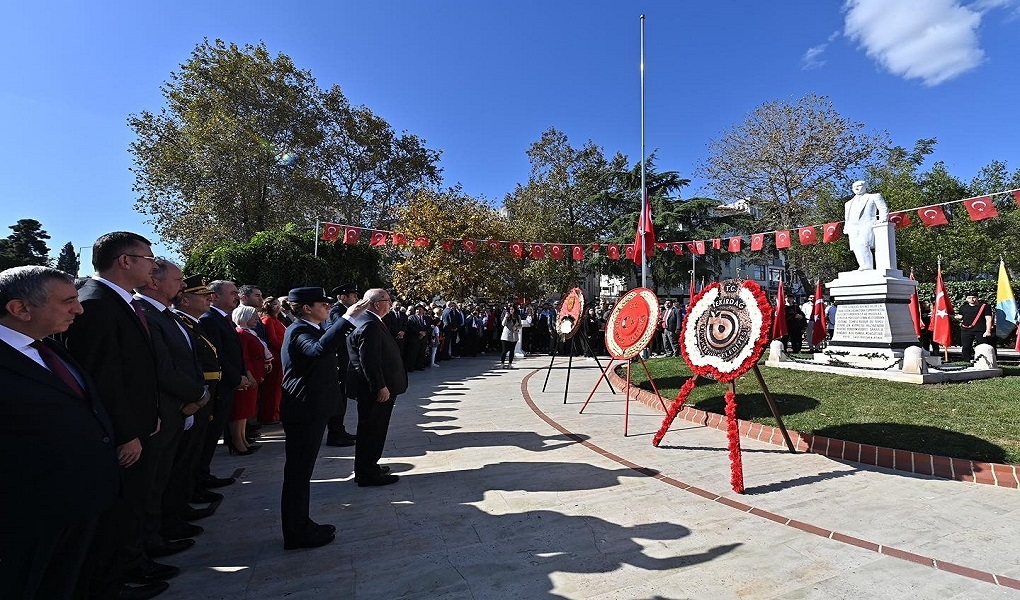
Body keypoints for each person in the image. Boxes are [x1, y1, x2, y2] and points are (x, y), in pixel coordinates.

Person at [62, 231, 172, 600]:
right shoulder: (95, 304)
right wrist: (126, 432)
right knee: (119, 508)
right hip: (123, 433)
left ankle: (133, 561)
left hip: (141, 423)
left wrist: (151, 413)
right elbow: (104, 378)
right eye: (148, 258)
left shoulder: (120, 301)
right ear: (125, 261)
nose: (153, 264)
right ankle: (111, 581)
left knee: (136, 503)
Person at [0, 266, 119, 600]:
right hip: (29, 519)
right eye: (68, 301)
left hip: (81, 502)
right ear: (20, 309)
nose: (79, 309)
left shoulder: (50, 348)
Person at [133, 258, 210, 557]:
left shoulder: (165, 314)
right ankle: (147, 544)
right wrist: (196, 395)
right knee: (150, 484)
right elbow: (162, 368)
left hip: (181, 405)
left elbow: (187, 358)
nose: (182, 285)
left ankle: (167, 523)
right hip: (167, 408)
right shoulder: (145, 314)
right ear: (154, 282)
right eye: (178, 280)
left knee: (166, 475)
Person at [279, 288, 365, 549]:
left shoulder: (312, 328)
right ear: (306, 308)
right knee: (298, 473)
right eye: (323, 303)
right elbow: (318, 350)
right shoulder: (299, 331)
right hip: (303, 410)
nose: (328, 307)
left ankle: (302, 523)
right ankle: (296, 532)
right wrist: (347, 318)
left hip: (312, 409)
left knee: (302, 472)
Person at [348, 288, 407, 487]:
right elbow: (369, 361)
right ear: (376, 303)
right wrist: (380, 386)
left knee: (374, 429)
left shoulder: (372, 321)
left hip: (378, 387)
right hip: (375, 390)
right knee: (372, 430)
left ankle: (368, 465)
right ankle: (367, 473)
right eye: (388, 300)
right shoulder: (369, 324)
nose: (390, 303)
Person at [198, 280, 246, 488]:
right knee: (208, 436)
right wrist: (236, 377)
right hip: (219, 385)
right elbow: (218, 355)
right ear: (215, 296)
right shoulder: (209, 319)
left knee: (214, 431)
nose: (237, 296)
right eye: (233, 293)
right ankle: (199, 479)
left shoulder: (223, 319)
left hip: (227, 384)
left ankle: (203, 475)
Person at [229, 305, 269, 455]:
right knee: (240, 409)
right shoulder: (241, 333)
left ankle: (242, 438)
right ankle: (237, 440)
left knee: (247, 409)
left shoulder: (249, 332)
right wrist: (249, 374)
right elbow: (244, 356)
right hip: (249, 372)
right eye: (253, 317)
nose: (256, 320)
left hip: (255, 371)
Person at [324, 283, 360, 447]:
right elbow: (343, 328)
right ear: (343, 297)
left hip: (345, 361)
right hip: (339, 362)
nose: (356, 299)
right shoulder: (337, 311)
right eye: (353, 296)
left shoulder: (344, 311)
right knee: (337, 400)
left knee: (342, 400)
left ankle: (340, 430)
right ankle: (334, 434)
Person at [844, 180, 889, 271]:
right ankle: (863, 265)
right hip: (853, 227)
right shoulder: (848, 203)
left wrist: (882, 220)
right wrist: (846, 226)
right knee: (856, 247)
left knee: (864, 244)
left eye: (859, 185)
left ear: (865, 186)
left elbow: (883, 208)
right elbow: (847, 217)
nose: (856, 188)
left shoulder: (874, 196)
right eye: (854, 187)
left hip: (867, 224)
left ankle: (867, 266)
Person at [258, 297, 285, 425]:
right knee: (272, 389)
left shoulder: (277, 320)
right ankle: (269, 415)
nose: (278, 307)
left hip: (280, 357)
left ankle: (275, 413)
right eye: (275, 304)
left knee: (277, 389)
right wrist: (286, 347)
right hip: (275, 357)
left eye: (279, 304)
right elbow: (273, 340)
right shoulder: (267, 320)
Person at [956, 290, 994, 362]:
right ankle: (966, 361)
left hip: (980, 330)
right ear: (966, 299)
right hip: (966, 330)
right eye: (969, 298)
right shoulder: (963, 307)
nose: (972, 299)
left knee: (983, 346)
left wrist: (988, 331)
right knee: (966, 346)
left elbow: (988, 319)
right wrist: (949, 315)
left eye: (974, 297)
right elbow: (960, 316)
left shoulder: (984, 307)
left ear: (977, 298)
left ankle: (985, 361)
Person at [499, 303, 522, 368]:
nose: (511, 310)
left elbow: (520, 325)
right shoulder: (507, 316)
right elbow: (503, 324)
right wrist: (506, 317)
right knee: (504, 350)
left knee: (512, 350)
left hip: (514, 335)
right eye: (510, 309)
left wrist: (517, 328)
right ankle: (502, 363)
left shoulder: (518, 317)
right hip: (506, 336)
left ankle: (510, 364)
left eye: (512, 309)